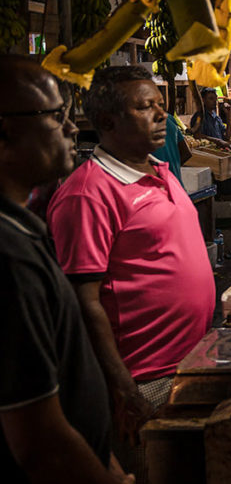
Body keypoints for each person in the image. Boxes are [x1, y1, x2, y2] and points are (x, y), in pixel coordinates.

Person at [48, 66, 215, 478]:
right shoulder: (88, 194)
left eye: (161, 105)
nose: (162, 115)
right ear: (108, 122)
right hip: (143, 380)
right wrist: (124, 391)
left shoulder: (158, 170)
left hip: (190, 362)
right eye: (145, 107)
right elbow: (82, 303)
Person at [0, 55, 129, 483]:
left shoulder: (22, 229)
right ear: (4, 132)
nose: (73, 128)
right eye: (56, 116)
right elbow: (39, 440)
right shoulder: (8, 257)